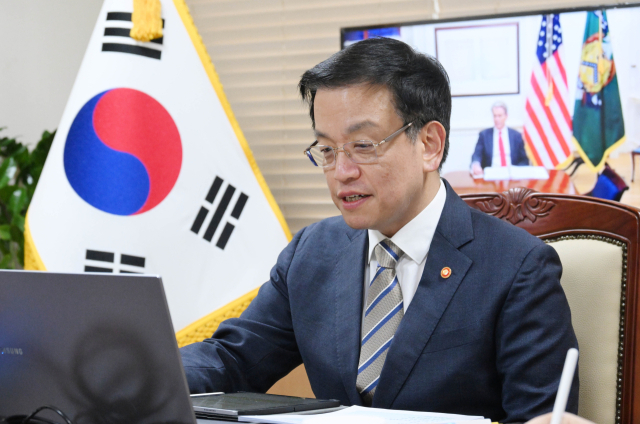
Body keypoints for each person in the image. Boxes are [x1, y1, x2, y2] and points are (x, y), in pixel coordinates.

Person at [180, 37, 578, 423]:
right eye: (327, 150)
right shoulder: (311, 252)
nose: (341, 172)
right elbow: (232, 359)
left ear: (429, 144)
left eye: (363, 146)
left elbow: (539, 417)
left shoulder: (518, 267)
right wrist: (147, 372)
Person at [470, 102, 529, 176]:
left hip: (511, 175)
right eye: (495, 116)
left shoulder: (516, 135)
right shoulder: (484, 135)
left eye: (500, 116)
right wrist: (476, 164)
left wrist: (517, 171)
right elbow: (477, 155)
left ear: (506, 116)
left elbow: (524, 160)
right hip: (491, 175)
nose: (497, 119)